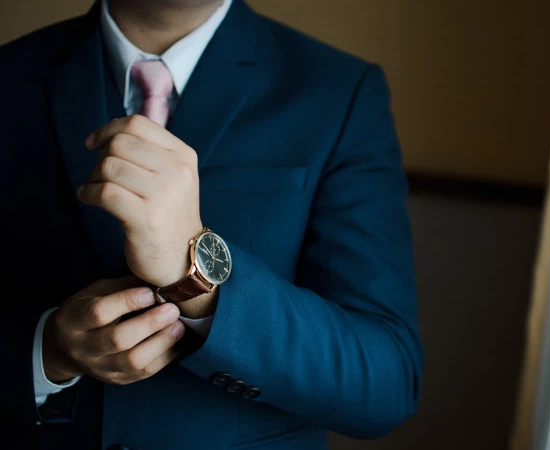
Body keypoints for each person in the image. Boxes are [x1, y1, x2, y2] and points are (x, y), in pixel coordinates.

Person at [0, 0, 423, 449]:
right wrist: (47, 351)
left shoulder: (340, 93)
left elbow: (385, 385)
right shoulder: (10, 76)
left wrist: (197, 279)